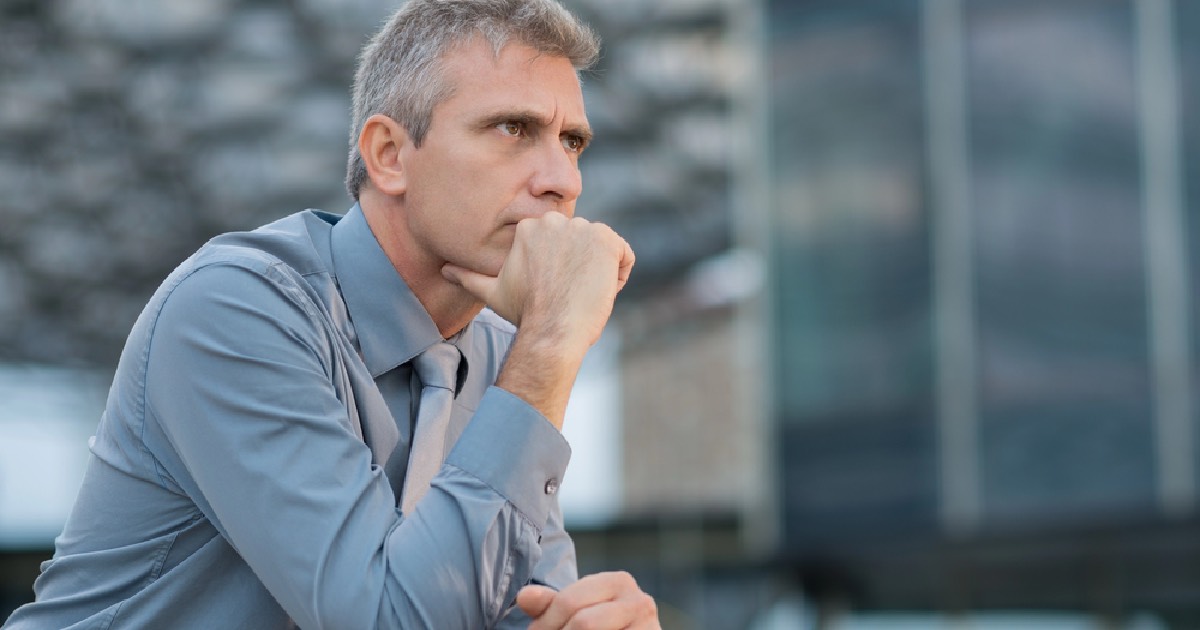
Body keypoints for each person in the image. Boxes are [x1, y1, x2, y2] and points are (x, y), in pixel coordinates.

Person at [3, 0, 659, 628]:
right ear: (389, 157)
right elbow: (388, 617)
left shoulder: (500, 358)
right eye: (513, 129)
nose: (563, 180)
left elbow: (509, 605)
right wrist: (550, 344)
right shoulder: (235, 311)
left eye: (572, 141)